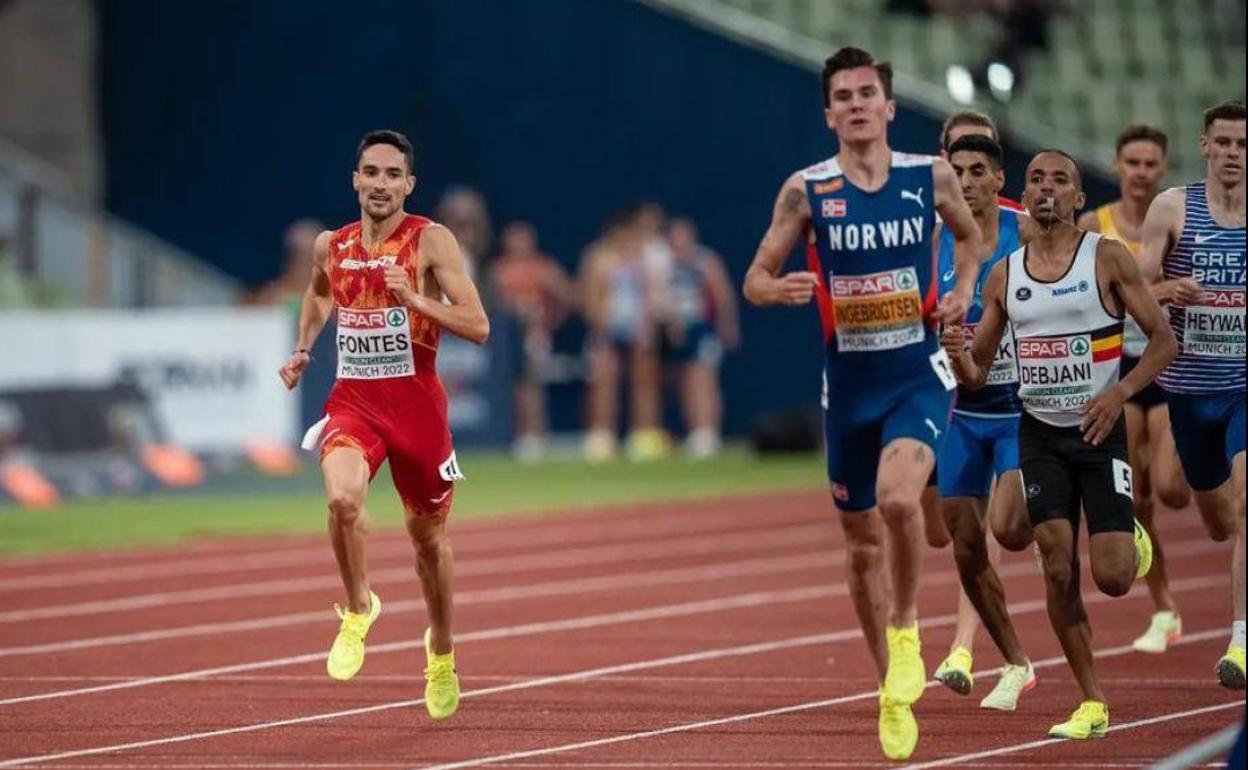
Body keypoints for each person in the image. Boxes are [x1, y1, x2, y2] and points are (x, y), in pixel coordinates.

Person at [743, 47, 983, 761]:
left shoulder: (928, 175)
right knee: (859, 547)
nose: (855, 105)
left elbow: (971, 239)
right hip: (848, 388)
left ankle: (906, 630)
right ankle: (889, 690)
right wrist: (776, 289)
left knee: (901, 500)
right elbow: (756, 275)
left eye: (866, 93)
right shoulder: (807, 190)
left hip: (916, 373)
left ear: (888, 107)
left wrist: (963, 290)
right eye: (843, 96)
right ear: (829, 114)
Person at [945, 149, 1174, 739]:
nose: (1047, 188)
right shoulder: (1005, 275)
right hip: (1040, 433)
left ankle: (1130, 535)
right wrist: (957, 353)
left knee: (1114, 578)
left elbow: (1162, 341)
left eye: (1061, 180)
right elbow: (978, 373)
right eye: (1037, 180)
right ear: (1024, 197)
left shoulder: (1107, 257)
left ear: (1078, 197)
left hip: (1099, 430)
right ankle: (1091, 701)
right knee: (1056, 564)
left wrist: (1119, 393)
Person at [277, 130, 489, 721]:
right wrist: (303, 347)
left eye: (393, 174)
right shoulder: (332, 244)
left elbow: (478, 325)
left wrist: (415, 302)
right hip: (356, 405)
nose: (380, 183)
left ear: (408, 185)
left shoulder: (430, 240)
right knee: (342, 501)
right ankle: (358, 607)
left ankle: (441, 651)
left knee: (429, 544)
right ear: (355, 180)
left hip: (418, 412)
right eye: (371, 172)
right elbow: (319, 294)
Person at [1137, 100, 1246, 690]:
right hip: (1188, 392)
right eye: (1224, 142)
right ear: (1205, 145)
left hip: (1243, 387)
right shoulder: (1173, 207)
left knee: (1247, 506)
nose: (1233, 153)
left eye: (1243, 145)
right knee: (1219, 523)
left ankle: (1241, 642)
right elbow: (1135, 289)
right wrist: (1169, 289)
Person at [1077, 124, 1193, 654]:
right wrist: (1155, 291)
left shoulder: (1179, 221)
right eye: (1133, 163)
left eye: (1150, 164)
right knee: (1137, 498)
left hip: (1168, 366)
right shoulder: (1093, 228)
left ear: (1163, 168)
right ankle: (1164, 608)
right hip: (1118, 370)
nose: (1141, 173)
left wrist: (1164, 293)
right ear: (1117, 166)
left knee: (1170, 488)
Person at [930, 135, 1036, 711]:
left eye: (977, 171)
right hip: (959, 415)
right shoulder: (932, 238)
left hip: (1021, 412)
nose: (966, 181)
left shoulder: (1029, 232)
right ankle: (1017, 662)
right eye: (957, 171)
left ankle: (1087, 498)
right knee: (966, 546)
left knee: (1011, 530)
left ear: (999, 180)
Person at [580, 208, 668, 462]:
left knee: (645, 381)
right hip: (607, 327)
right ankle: (601, 436)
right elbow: (590, 294)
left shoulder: (642, 258)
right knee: (603, 381)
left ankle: (645, 434)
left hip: (638, 327)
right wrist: (600, 324)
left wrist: (647, 324)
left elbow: (651, 293)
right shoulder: (598, 257)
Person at [489, 221, 575, 462]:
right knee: (508, 385)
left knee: (530, 382)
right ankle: (514, 433)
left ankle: (535, 434)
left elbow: (567, 296)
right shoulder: (498, 270)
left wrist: (550, 320)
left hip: (533, 335)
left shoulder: (543, 268)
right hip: (502, 337)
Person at [661, 217, 739, 458]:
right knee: (685, 381)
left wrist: (727, 326)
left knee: (703, 378)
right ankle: (695, 430)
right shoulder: (663, 262)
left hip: (701, 327)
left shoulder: (704, 261)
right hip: (674, 329)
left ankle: (708, 431)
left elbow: (722, 295)